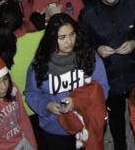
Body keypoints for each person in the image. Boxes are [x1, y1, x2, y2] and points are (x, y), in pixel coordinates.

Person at [78, 0, 135, 150]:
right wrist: (96, 49)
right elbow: (80, 43)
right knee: (116, 120)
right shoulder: (88, 14)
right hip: (109, 76)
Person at [25, 13, 109, 150]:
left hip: (86, 124)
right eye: (62, 38)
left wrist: (78, 102)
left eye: (72, 34)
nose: (69, 41)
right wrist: (47, 105)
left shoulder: (89, 57)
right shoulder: (39, 65)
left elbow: (103, 89)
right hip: (55, 129)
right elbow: (31, 94)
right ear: (52, 39)